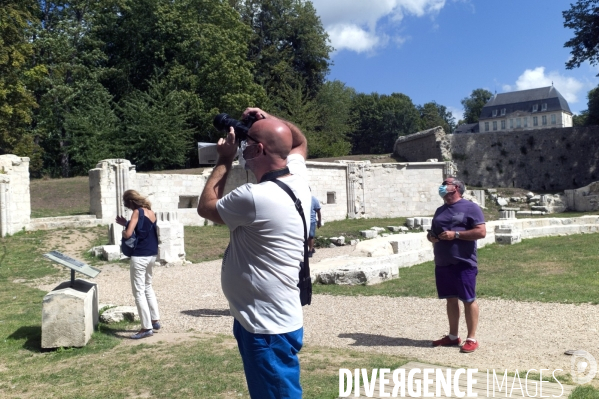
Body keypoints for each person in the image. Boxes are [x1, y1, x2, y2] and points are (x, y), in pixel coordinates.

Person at [197, 107, 310, 398]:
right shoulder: (298, 178)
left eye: (246, 144)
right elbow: (298, 142)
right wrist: (269, 118)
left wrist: (224, 159)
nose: (242, 148)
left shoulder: (254, 196)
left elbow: (206, 206)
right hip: (270, 317)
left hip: (265, 327)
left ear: (257, 149)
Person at [427, 176, 486, 353]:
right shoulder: (440, 210)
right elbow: (432, 232)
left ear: (457, 188)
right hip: (443, 262)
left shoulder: (471, 207)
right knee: (450, 299)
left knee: (468, 299)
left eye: (446, 184)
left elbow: (481, 232)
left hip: (463, 261)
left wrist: (456, 235)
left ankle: (471, 338)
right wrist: (431, 237)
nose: (442, 186)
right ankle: (453, 336)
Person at [116, 189, 161, 339]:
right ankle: (155, 320)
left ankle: (146, 327)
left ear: (130, 201)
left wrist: (124, 232)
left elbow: (129, 234)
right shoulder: (150, 211)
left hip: (140, 255)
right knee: (148, 286)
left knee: (139, 292)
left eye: (125, 203)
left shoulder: (136, 212)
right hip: (152, 254)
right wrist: (127, 223)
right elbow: (144, 229)